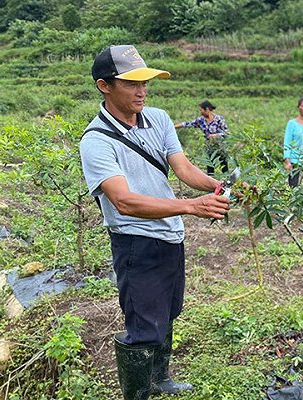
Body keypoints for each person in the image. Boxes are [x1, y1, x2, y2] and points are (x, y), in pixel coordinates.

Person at [79, 45, 231, 400]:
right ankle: (138, 394)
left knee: (168, 311)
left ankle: (160, 379)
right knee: (143, 326)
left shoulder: (158, 119)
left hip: (169, 235)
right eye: (132, 84)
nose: (142, 91)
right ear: (104, 86)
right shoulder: (96, 141)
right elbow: (124, 201)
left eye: (145, 82)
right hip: (135, 241)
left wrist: (215, 186)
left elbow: (182, 167)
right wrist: (191, 206)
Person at [175, 100, 229, 175]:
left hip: (220, 147)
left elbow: (227, 132)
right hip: (209, 147)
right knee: (210, 168)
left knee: (224, 167)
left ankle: (227, 183)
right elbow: (187, 124)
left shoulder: (219, 119)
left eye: (201, 110)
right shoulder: (201, 120)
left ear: (207, 109)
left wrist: (216, 135)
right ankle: (212, 184)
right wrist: (173, 127)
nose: (200, 112)